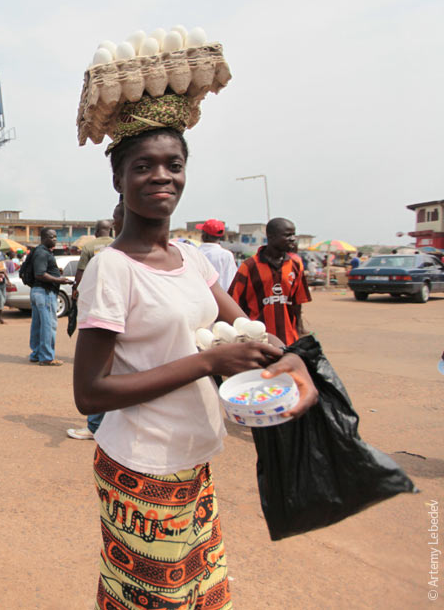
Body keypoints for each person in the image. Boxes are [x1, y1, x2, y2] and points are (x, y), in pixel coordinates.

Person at [73, 93, 317, 609]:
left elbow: (246, 329)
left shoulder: (189, 259)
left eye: (173, 165)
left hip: (195, 457)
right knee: (153, 600)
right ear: (119, 179)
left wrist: (291, 359)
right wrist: (208, 362)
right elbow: (90, 394)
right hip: (143, 467)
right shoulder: (112, 269)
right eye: (144, 166)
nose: (161, 176)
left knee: (200, 595)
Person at [66, 206, 122, 440]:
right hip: (120, 305)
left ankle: (95, 426)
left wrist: (77, 293)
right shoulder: (121, 245)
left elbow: (79, 275)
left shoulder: (89, 248)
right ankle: (111, 424)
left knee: (97, 367)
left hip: (97, 307)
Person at [228, 217, 312, 346]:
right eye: (287, 235)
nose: (293, 239)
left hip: (288, 338)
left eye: (293, 234)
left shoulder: (296, 264)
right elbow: (233, 302)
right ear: (271, 237)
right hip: (258, 340)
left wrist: (299, 329)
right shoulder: (250, 266)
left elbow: (297, 302)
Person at [29, 228, 73, 366]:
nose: (55, 239)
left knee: (38, 325)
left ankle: (36, 354)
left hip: (38, 292)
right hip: (45, 292)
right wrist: (60, 280)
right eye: (52, 237)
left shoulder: (39, 251)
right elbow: (40, 274)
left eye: (55, 237)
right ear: (44, 238)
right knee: (48, 326)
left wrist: (55, 272)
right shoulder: (42, 253)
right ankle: (47, 357)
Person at [197, 218, 237, 291]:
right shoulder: (226, 255)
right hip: (220, 300)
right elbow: (230, 283)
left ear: (203, 235)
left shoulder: (194, 252)